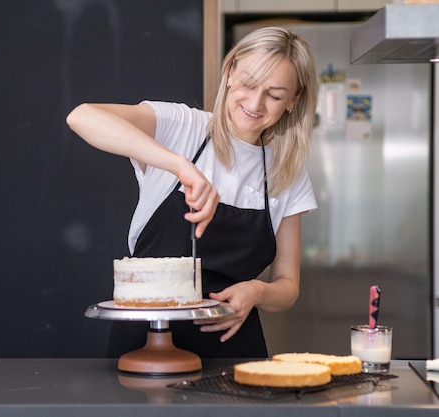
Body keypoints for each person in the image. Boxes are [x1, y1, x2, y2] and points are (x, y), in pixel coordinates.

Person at [66, 26, 318, 358]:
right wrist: (180, 166)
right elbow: (82, 116)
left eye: (273, 94)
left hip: (231, 348)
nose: (255, 103)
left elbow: (288, 285)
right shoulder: (182, 127)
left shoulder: (286, 171)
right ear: (230, 73)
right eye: (249, 84)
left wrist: (257, 291)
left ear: (293, 100)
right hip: (145, 346)